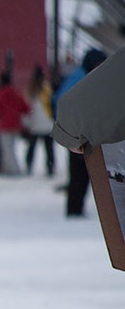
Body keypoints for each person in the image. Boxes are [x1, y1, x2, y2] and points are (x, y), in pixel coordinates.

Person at [52, 48, 109, 217]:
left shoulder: (89, 76)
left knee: (85, 172)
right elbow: (65, 103)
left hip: (87, 132)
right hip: (79, 133)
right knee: (80, 173)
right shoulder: (81, 77)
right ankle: (74, 210)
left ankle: (77, 208)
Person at [0, 71, 30, 176]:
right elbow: (26, 108)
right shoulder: (16, 93)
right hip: (15, 125)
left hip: (4, 125)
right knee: (12, 148)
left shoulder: (0, 94)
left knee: (7, 149)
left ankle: (13, 170)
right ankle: (10, 168)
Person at [22, 65, 56, 177]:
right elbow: (53, 103)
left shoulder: (30, 90)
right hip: (47, 123)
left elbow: (27, 107)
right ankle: (50, 166)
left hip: (34, 123)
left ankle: (29, 165)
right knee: (49, 148)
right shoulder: (47, 88)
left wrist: (26, 122)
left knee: (32, 147)